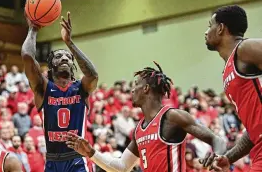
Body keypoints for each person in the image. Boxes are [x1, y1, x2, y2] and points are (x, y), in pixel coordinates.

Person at [65, 61, 226, 172]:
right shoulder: (139, 130)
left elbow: (217, 140)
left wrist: (217, 157)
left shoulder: (172, 117)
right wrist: (91, 153)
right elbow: (122, 167)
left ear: (146, 89)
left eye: (136, 85)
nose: (132, 90)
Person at [21, 11, 98, 172]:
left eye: (68, 57)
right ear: (51, 65)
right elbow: (27, 56)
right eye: (58, 56)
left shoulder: (81, 88)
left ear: (72, 64)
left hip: (77, 159)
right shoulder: (43, 88)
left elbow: (92, 75)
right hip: (52, 160)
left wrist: (69, 43)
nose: (64, 58)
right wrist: (33, 29)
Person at [200, 5, 262, 172]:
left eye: (209, 25)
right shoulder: (230, 69)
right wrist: (228, 157)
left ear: (220, 28)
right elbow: (254, 128)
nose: (206, 32)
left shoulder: (245, 49)